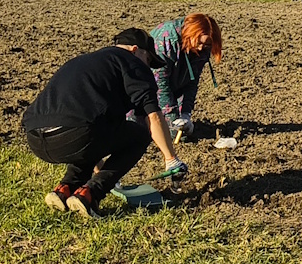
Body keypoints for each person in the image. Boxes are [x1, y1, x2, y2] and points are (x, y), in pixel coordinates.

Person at [23, 27, 186, 217]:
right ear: (135, 50)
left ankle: (64, 189)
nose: (148, 67)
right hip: (75, 136)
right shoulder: (132, 63)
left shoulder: (85, 62)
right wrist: (171, 159)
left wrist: (101, 171)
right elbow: (153, 116)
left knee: (96, 130)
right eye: (148, 60)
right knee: (139, 135)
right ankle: (90, 195)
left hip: (36, 138)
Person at [146, 13, 222, 137]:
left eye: (207, 45)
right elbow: (160, 82)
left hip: (173, 86)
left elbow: (192, 82)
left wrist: (185, 114)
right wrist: (172, 117)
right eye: (199, 42)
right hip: (145, 91)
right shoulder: (167, 39)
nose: (201, 48)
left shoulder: (202, 49)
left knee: (182, 134)